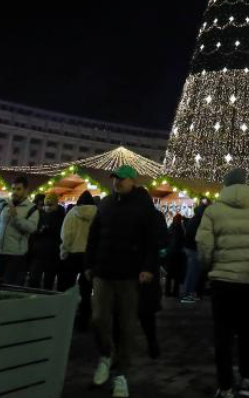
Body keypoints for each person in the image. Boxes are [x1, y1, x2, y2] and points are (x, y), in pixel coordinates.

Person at [83, 165, 163, 398]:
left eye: (122, 179)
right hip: (103, 271)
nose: (118, 182)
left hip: (129, 275)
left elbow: (151, 241)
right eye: (115, 178)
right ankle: (106, 355)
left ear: (132, 181)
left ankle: (121, 374)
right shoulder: (105, 204)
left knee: (127, 326)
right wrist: (89, 264)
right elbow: (94, 236)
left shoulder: (143, 206)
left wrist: (148, 267)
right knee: (98, 318)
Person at [197, 167, 249, 398]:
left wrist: (209, 266)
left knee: (223, 334)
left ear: (226, 185)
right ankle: (248, 379)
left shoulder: (213, 211)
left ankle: (226, 385)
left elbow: (203, 245)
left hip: (222, 280)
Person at [134, 186, 170, 359]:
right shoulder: (157, 215)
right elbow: (164, 240)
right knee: (146, 313)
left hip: (133, 268)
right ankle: (152, 343)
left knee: (128, 311)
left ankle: (124, 346)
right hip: (150, 269)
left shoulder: (132, 215)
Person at [0, 176, 39, 286]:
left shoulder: (32, 209)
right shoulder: (4, 205)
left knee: (10, 288)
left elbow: (31, 228)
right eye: (13, 189)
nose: (15, 192)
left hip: (16, 256)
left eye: (18, 189)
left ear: (26, 190)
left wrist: (16, 218)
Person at [61, 191, 98, 329]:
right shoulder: (98, 215)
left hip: (73, 255)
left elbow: (67, 235)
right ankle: (84, 319)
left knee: (68, 287)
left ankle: (66, 316)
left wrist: (64, 251)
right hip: (89, 256)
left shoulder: (71, 214)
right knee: (86, 290)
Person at [27, 192, 65, 290]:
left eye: (50, 204)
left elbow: (61, 235)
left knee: (48, 282)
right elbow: (33, 232)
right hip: (39, 253)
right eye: (46, 204)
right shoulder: (40, 216)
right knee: (34, 280)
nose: (48, 207)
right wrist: (39, 231)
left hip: (52, 255)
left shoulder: (61, 218)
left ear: (56, 204)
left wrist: (48, 230)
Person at [180, 199, 208, 302]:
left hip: (189, 248)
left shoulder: (193, 219)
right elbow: (198, 236)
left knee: (191, 272)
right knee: (193, 273)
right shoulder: (199, 221)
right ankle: (188, 294)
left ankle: (188, 293)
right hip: (194, 249)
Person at [164, 213, 186, 298]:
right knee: (177, 274)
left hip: (170, 253)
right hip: (178, 254)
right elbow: (181, 241)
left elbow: (167, 239)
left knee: (169, 274)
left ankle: (167, 292)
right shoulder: (180, 229)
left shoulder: (171, 227)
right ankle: (175, 292)